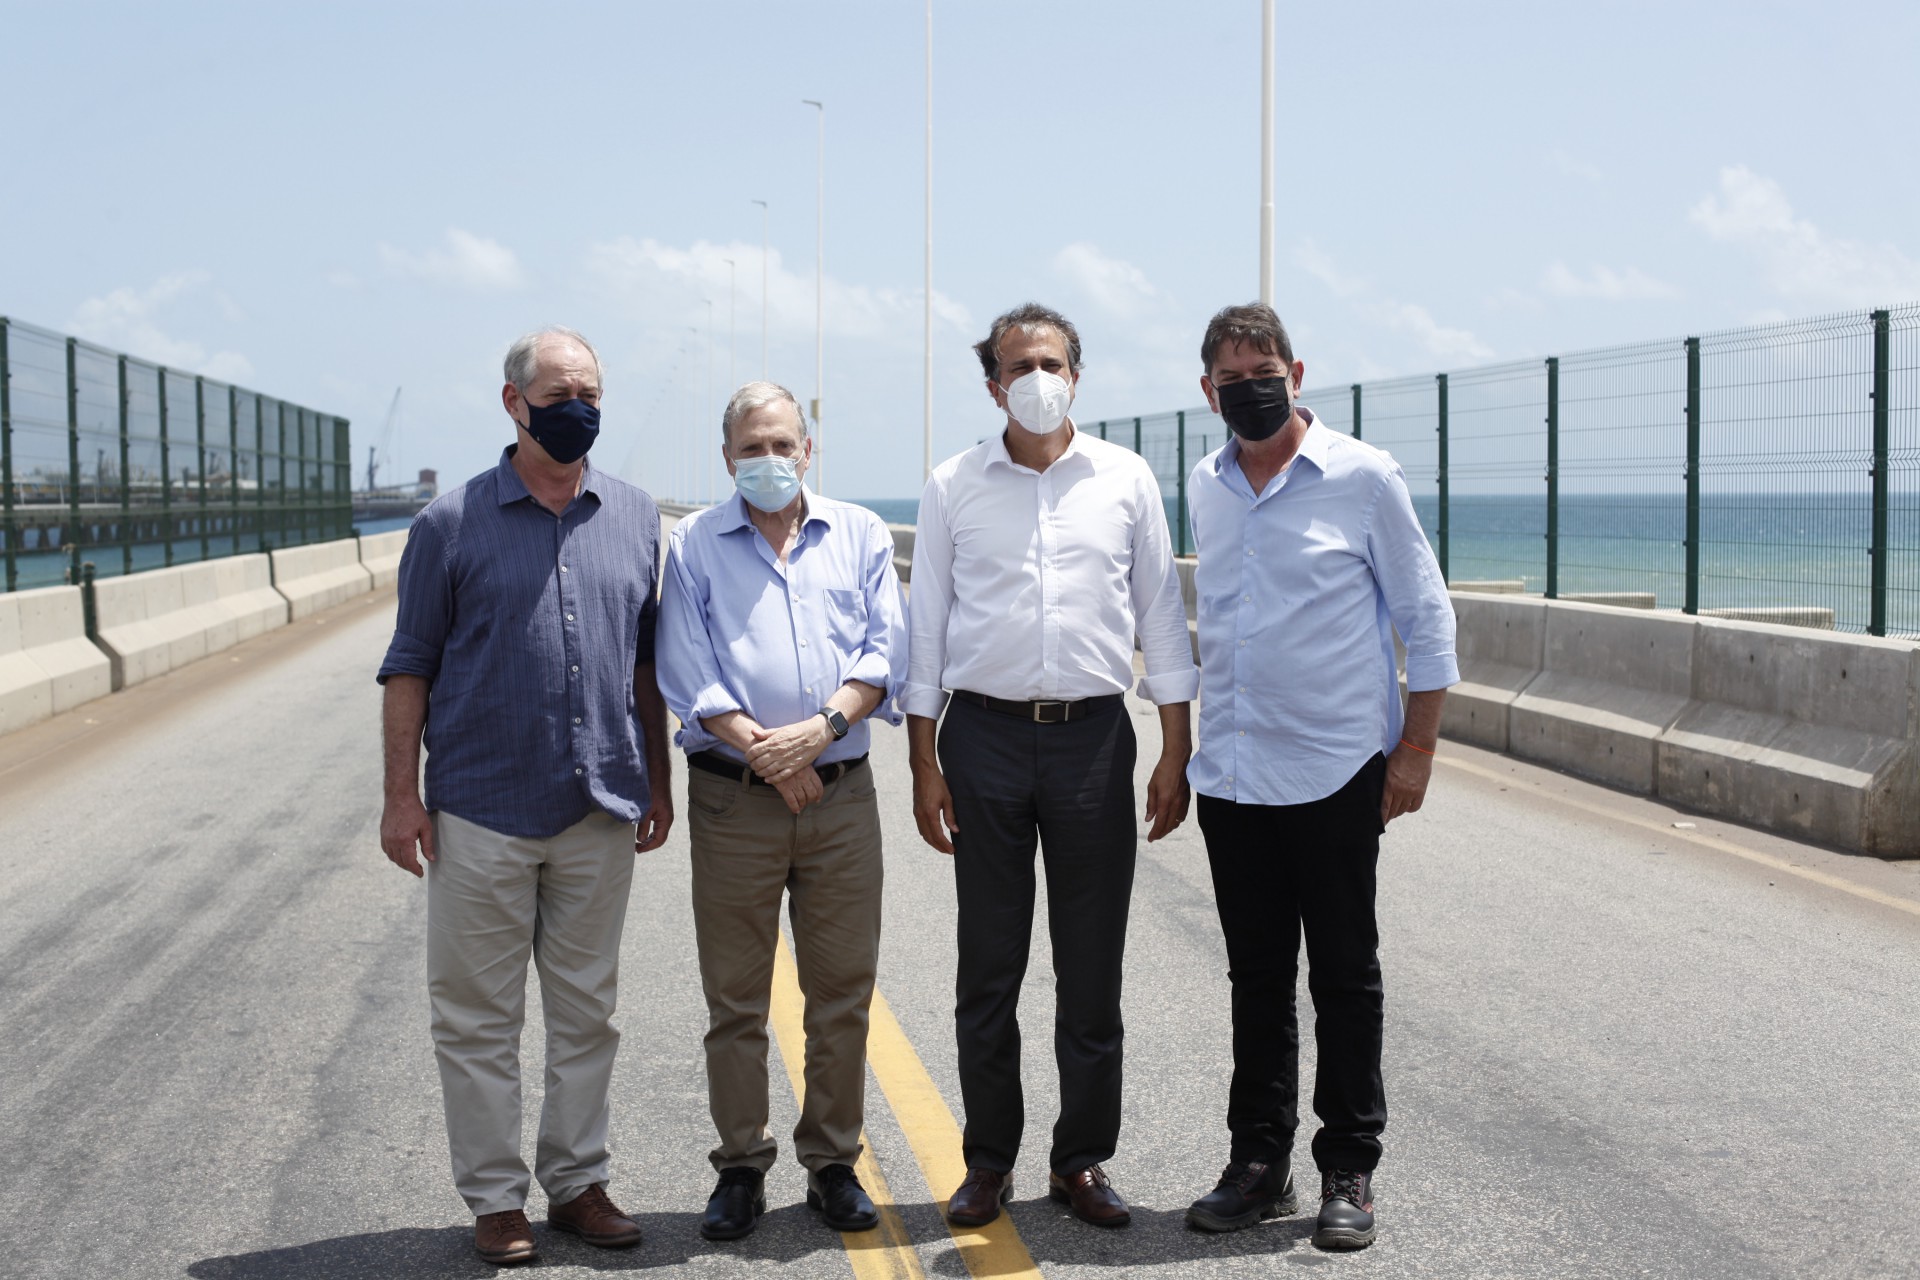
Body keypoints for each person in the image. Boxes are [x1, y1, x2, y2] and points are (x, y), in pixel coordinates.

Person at [377, 326, 672, 1267]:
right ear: (514, 403)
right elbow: (409, 668)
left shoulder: (634, 516)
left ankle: (579, 1183)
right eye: (557, 393)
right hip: (480, 807)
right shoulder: (450, 525)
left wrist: (656, 779)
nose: (576, 407)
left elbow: (643, 667)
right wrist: (399, 799)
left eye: (590, 391)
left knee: (589, 1013)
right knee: (477, 1018)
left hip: (599, 808)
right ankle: (497, 1200)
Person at [904, 303, 1199, 1230]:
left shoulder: (1126, 478)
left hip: (1093, 741)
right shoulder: (953, 485)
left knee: (1090, 967)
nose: (1038, 376)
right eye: (1018, 364)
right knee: (988, 966)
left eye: (1053, 362)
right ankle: (987, 1161)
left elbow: (1161, 619)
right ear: (992, 383)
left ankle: (1081, 1160)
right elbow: (925, 631)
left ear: (1078, 374)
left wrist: (1174, 747)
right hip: (982, 738)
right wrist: (922, 760)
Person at [1179, 303, 1457, 1251]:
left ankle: (1350, 1166)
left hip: (1338, 768)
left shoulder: (1363, 477)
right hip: (1234, 771)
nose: (1251, 385)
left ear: (1298, 374)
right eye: (1232, 373)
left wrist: (1413, 750)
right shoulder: (1206, 484)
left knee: (1344, 975)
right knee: (1257, 977)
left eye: (1267, 369)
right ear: (1206, 387)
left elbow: (1427, 620)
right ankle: (1258, 1160)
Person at [656, 381, 907, 1243]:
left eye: (782, 443)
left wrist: (819, 731)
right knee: (736, 999)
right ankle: (739, 1167)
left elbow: (884, 649)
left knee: (841, 993)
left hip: (840, 797)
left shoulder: (862, 533)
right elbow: (685, 665)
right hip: (735, 800)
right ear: (727, 458)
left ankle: (833, 1163)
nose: (769, 459)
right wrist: (766, 750)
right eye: (750, 448)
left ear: (809, 448)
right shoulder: (692, 543)